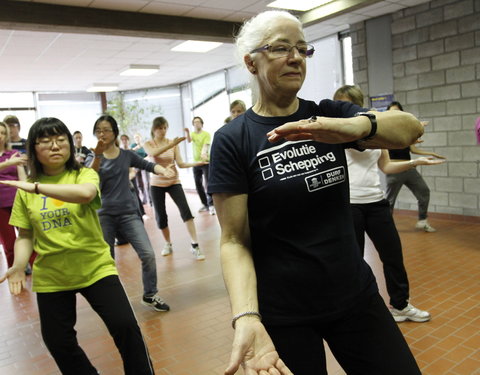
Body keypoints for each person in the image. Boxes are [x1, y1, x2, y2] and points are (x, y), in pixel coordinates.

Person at [208, 10, 424, 375]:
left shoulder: (326, 115)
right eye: (280, 48)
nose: (295, 57)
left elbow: (409, 129)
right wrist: (246, 316)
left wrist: (346, 126)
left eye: (302, 49)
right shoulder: (233, 140)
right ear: (250, 62)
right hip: (284, 313)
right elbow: (234, 241)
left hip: (354, 297)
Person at [0, 117, 155, 375]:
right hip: (52, 275)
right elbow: (25, 235)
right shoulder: (25, 192)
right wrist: (18, 264)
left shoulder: (83, 173)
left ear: (70, 145)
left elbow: (86, 194)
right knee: (58, 342)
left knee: (126, 327)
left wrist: (37, 187)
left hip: (94, 268)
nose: (55, 146)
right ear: (34, 149)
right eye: (45, 141)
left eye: (61, 140)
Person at [334, 85, 444, 322]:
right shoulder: (335, 134)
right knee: (353, 261)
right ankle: (354, 310)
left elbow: (386, 167)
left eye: (348, 104)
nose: (344, 109)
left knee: (393, 255)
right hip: (350, 205)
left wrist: (414, 162)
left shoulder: (374, 131)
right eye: (340, 103)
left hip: (376, 203)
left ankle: (400, 305)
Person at [87, 115, 174, 312]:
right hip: (104, 215)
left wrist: (163, 171)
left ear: (115, 132)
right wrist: (98, 156)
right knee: (106, 261)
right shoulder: (93, 157)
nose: (102, 133)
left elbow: (148, 165)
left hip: (128, 214)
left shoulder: (126, 155)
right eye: (98, 130)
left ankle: (150, 295)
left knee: (148, 254)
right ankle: (110, 299)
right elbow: (89, 177)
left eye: (106, 129)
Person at [144, 117, 206, 260]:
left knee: (186, 212)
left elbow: (181, 164)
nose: (163, 131)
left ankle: (195, 245)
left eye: (165, 127)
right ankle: (168, 243)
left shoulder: (173, 143)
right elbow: (153, 154)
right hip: (156, 184)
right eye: (160, 128)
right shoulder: (149, 144)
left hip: (173, 181)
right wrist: (172, 143)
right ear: (154, 129)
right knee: (161, 216)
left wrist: (197, 164)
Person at [386, 101, 445, 232]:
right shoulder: (386, 131)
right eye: (391, 111)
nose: (394, 113)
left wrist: (431, 153)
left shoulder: (406, 130)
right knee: (389, 202)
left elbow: (413, 149)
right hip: (394, 168)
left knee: (424, 191)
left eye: (397, 111)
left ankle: (422, 221)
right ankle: (386, 227)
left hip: (409, 168)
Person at [0, 121, 29, 269]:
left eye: (3, 133)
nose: (1, 136)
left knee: (29, 238)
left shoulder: (14, 154)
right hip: (1, 205)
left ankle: (39, 271)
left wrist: (27, 197)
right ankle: (15, 274)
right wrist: (7, 163)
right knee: (9, 244)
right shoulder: (11, 158)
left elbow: (23, 178)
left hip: (17, 201)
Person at [184, 116, 214, 214]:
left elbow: (206, 145)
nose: (197, 124)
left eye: (198, 122)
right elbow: (188, 140)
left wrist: (204, 153)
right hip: (196, 163)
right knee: (198, 184)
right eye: (195, 122)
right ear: (193, 124)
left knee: (207, 183)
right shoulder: (192, 134)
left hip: (205, 162)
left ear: (202, 123)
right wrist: (187, 133)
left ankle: (211, 205)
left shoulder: (206, 134)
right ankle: (205, 204)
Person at [131, 133, 152, 206]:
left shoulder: (144, 146)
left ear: (140, 138)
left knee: (146, 182)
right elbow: (131, 153)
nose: (137, 139)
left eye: (138, 137)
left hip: (144, 165)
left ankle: (150, 200)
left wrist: (142, 159)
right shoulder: (133, 146)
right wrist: (137, 147)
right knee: (139, 184)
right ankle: (144, 199)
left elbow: (148, 156)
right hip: (136, 166)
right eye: (135, 138)